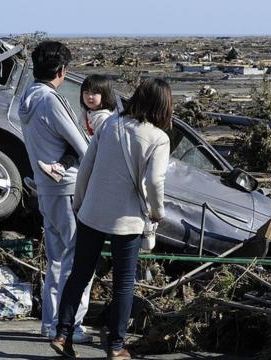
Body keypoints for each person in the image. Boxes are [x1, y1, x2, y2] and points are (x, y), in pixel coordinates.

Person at [50, 78, 172, 360]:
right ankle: (116, 346)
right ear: (164, 106)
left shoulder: (110, 124)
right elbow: (155, 181)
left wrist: (80, 204)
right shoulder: (158, 138)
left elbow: (85, 168)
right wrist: (157, 212)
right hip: (127, 219)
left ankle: (62, 334)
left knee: (79, 274)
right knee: (123, 283)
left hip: (92, 212)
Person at [18, 41, 92, 343]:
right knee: (77, 260)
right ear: (61, 70)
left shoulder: (27, 98)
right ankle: (69, 325)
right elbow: (83, 147)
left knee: (56, 260)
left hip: (46, 188)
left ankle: (50, 323)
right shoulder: (51, 100)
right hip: (68, 187)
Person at [38, 74, 117, 182]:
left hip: (91, 153)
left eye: (95, 93)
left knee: (73, 146)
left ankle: (59, 169)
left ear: (105, 95)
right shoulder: (86, 113)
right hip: (83, 149)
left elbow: (101, 140)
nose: (89, 96)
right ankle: (44, 177)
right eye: (86, 92)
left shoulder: (104, 117)